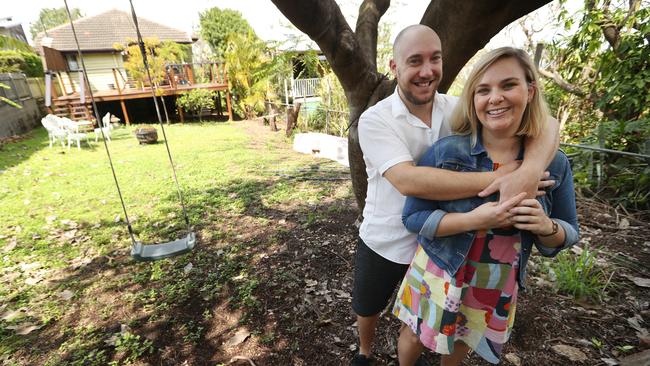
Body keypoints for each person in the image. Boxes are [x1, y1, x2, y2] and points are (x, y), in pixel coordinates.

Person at [351, 24, 560, 365]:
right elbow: (408, 180)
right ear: (394, 67)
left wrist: (529, 171)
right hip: (388, 236)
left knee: (423, 317)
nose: (427, 70)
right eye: (414, 61)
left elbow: (547, 123)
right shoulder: (375, 120)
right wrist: (501, 176)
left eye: (435, 59)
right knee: (368, 304)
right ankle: (364, 351)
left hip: (444, 240)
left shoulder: (456, 108)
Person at [392, 47, 579, 365]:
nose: (495, 98)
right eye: (484, 90)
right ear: (473, 99)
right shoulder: (447, 152)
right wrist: (473, 219)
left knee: (462, 340)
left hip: (497, 280)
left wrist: (546, 227)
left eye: (508, 85)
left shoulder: (554, 164)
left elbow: (569, 231)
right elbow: (412, 217)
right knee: (413, 334)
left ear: (530, 90)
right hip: (440, 268)